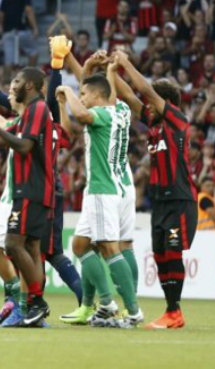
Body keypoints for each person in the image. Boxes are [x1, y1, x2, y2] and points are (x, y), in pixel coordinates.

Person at [110, 52, 199, 329]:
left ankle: (174, 311)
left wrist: (125, 63)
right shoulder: (154, 123)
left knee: (172, 252)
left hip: (180, 199)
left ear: (166, 103)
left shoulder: (177, 120)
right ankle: (171, 312)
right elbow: (129, 96)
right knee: (160, 255)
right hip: (159, 201)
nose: (146, 107)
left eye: (151, 103)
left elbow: (145, 90)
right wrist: (110, 69)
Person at [54, 72, 142, 327]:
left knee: (110, 248)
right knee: (81, 245)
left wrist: (67, 90)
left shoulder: (102, 114)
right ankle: (106, 304)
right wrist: (62, 104)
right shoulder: (122, 111)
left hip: (102, 189)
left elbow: (81, 115)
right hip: (120, 186)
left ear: (96, 95)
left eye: (83, 94)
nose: (81, 98)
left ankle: (132, 312)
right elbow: (71, 130)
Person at [0, 66, 61, 327]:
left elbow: (25, 146)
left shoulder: (38, 108)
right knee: (31, 248)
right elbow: (1, 139)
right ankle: (32, 308)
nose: (12, 85)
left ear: (29, 85)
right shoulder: (29, 112)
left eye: (16, 81)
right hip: (33, 189)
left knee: (12, 244)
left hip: (31, 188)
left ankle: (37, 302)